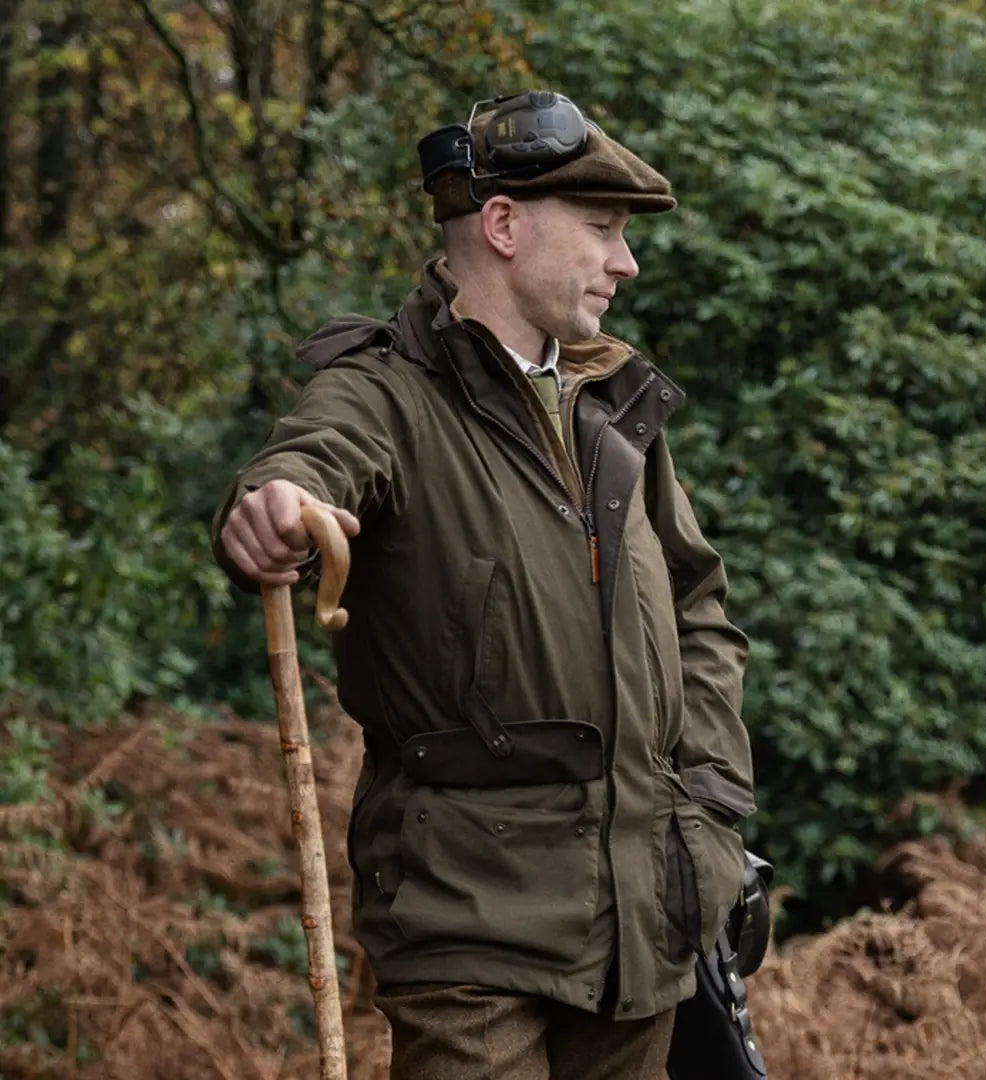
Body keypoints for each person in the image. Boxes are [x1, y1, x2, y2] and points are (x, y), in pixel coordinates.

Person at [212, 90, 755, 1080]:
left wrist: (712, 806)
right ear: (503, 225)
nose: (626, 263)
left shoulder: (613, 405)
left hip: (647, 926)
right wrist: (275, 507)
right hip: (468, 924)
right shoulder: (383, 390)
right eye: (602, 229)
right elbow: (310, 464)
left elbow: (698, 610)